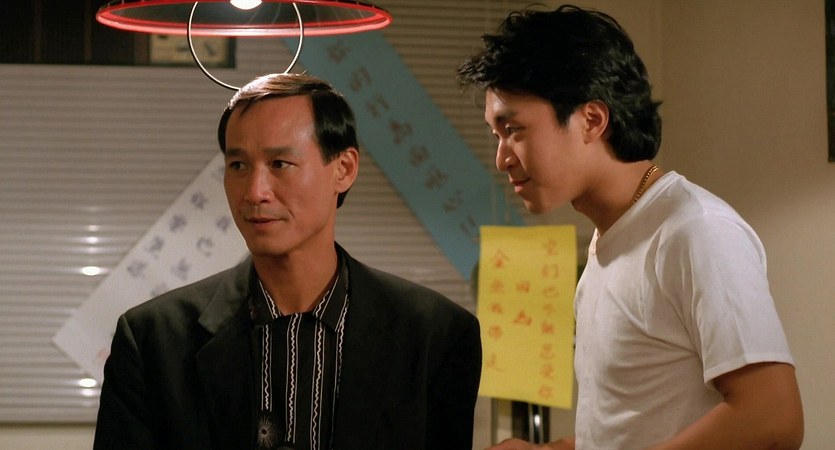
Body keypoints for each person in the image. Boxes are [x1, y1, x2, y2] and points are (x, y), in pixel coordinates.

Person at [458, 4, 803, 450]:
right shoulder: (611, 238)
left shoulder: (696, 230)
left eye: (514, 130)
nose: (502, 158)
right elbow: (635, 428)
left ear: (591, 120)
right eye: (496, 135)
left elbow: (773, 417)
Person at [93, 73, 482, 450]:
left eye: (280, 164)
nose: (255, 192)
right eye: (238, 166)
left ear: (344, 169)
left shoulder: (434, 334)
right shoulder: (153, 339)